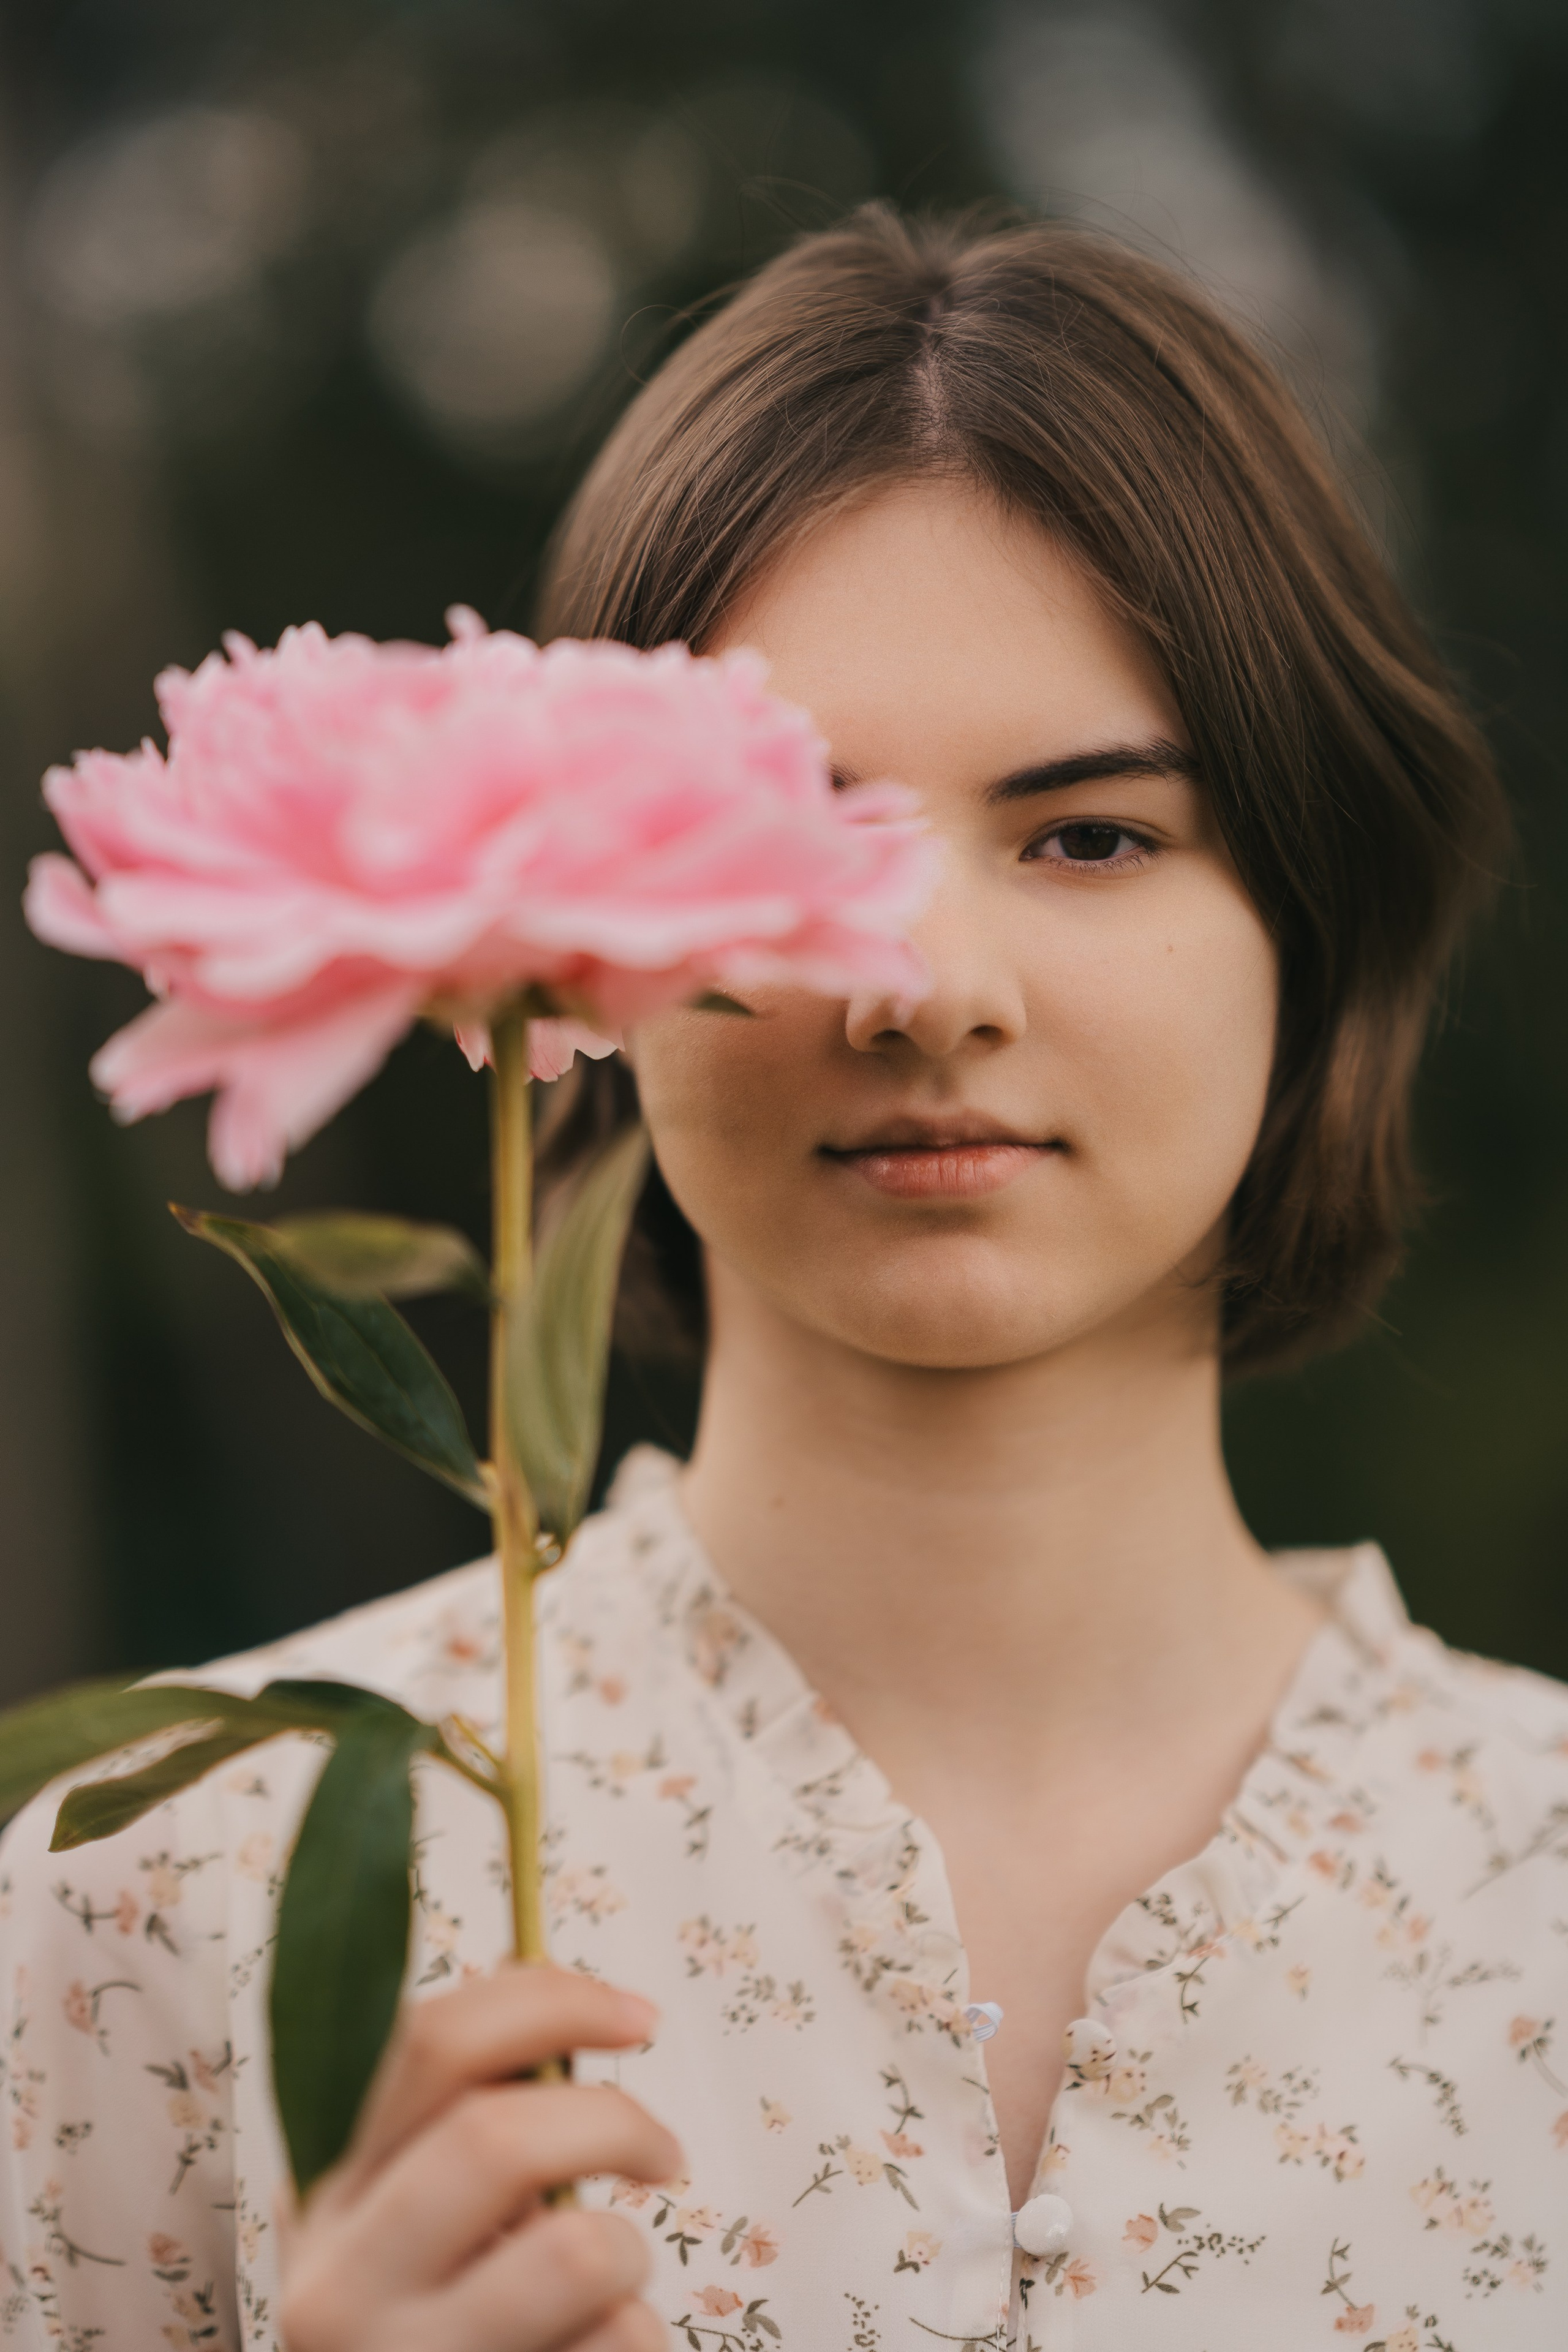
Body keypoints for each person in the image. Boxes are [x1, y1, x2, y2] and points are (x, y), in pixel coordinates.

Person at [1, 206, 1561, 2352]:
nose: (923, 987)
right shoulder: (161, 1893)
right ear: (576, 955)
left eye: (1093, 834)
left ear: (1313, 920)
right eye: (792, 840)